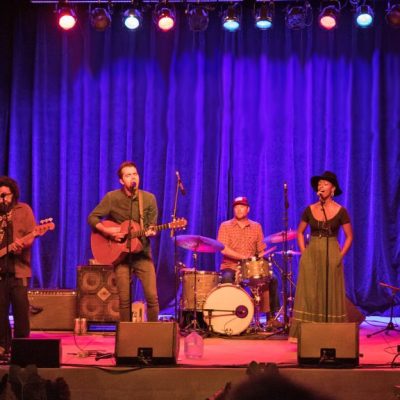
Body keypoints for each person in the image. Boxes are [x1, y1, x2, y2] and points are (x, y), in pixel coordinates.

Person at [88, 161, 159, 322]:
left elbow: (151, 226)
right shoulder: (112, 198)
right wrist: (108, 232)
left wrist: (151, 231)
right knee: (124, 300)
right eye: (128, 175)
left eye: (135, 174)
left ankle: (155, 333)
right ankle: (127, 337)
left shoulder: (148, 199)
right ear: (121, 180)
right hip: (120, 256)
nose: (133, 177)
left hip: (142, 254)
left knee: (152, 297)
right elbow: (92, 217)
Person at [289, 171, 353, 341]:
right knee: (310, 291)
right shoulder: (309, 210)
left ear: (333, 189)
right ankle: (308, 333)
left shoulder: (341, 211)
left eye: (325, 183)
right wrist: (304, 252)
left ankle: (332, 334)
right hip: (313, 250)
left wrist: (340, 256)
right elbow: (300, 232)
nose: (321, 186)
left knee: (330, 290)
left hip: (332, 249)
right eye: (319, 184)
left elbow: (349, 237)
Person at [217, 196, 280, 324]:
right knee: (227, 278)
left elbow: (261, 250)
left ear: (248, 209)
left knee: (272, 278)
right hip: (231, 266)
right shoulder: (225, 226)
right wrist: (243, 257)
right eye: (236, 207)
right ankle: (230, 317)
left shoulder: (256, 226)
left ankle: (271, 317)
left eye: (242, 207)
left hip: (251, 268)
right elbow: (223, 249)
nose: (239, 209)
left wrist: (262, 257)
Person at [0, 176, 36, 357]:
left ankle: (22, 350)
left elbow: (31, 235)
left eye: (4, 195)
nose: (2, 199)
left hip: (19, 270)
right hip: (0, 273)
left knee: (21, 312)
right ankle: (3, 348)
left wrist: (21, 244)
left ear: (13, 194)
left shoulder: (24, 210)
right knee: (0, 313)